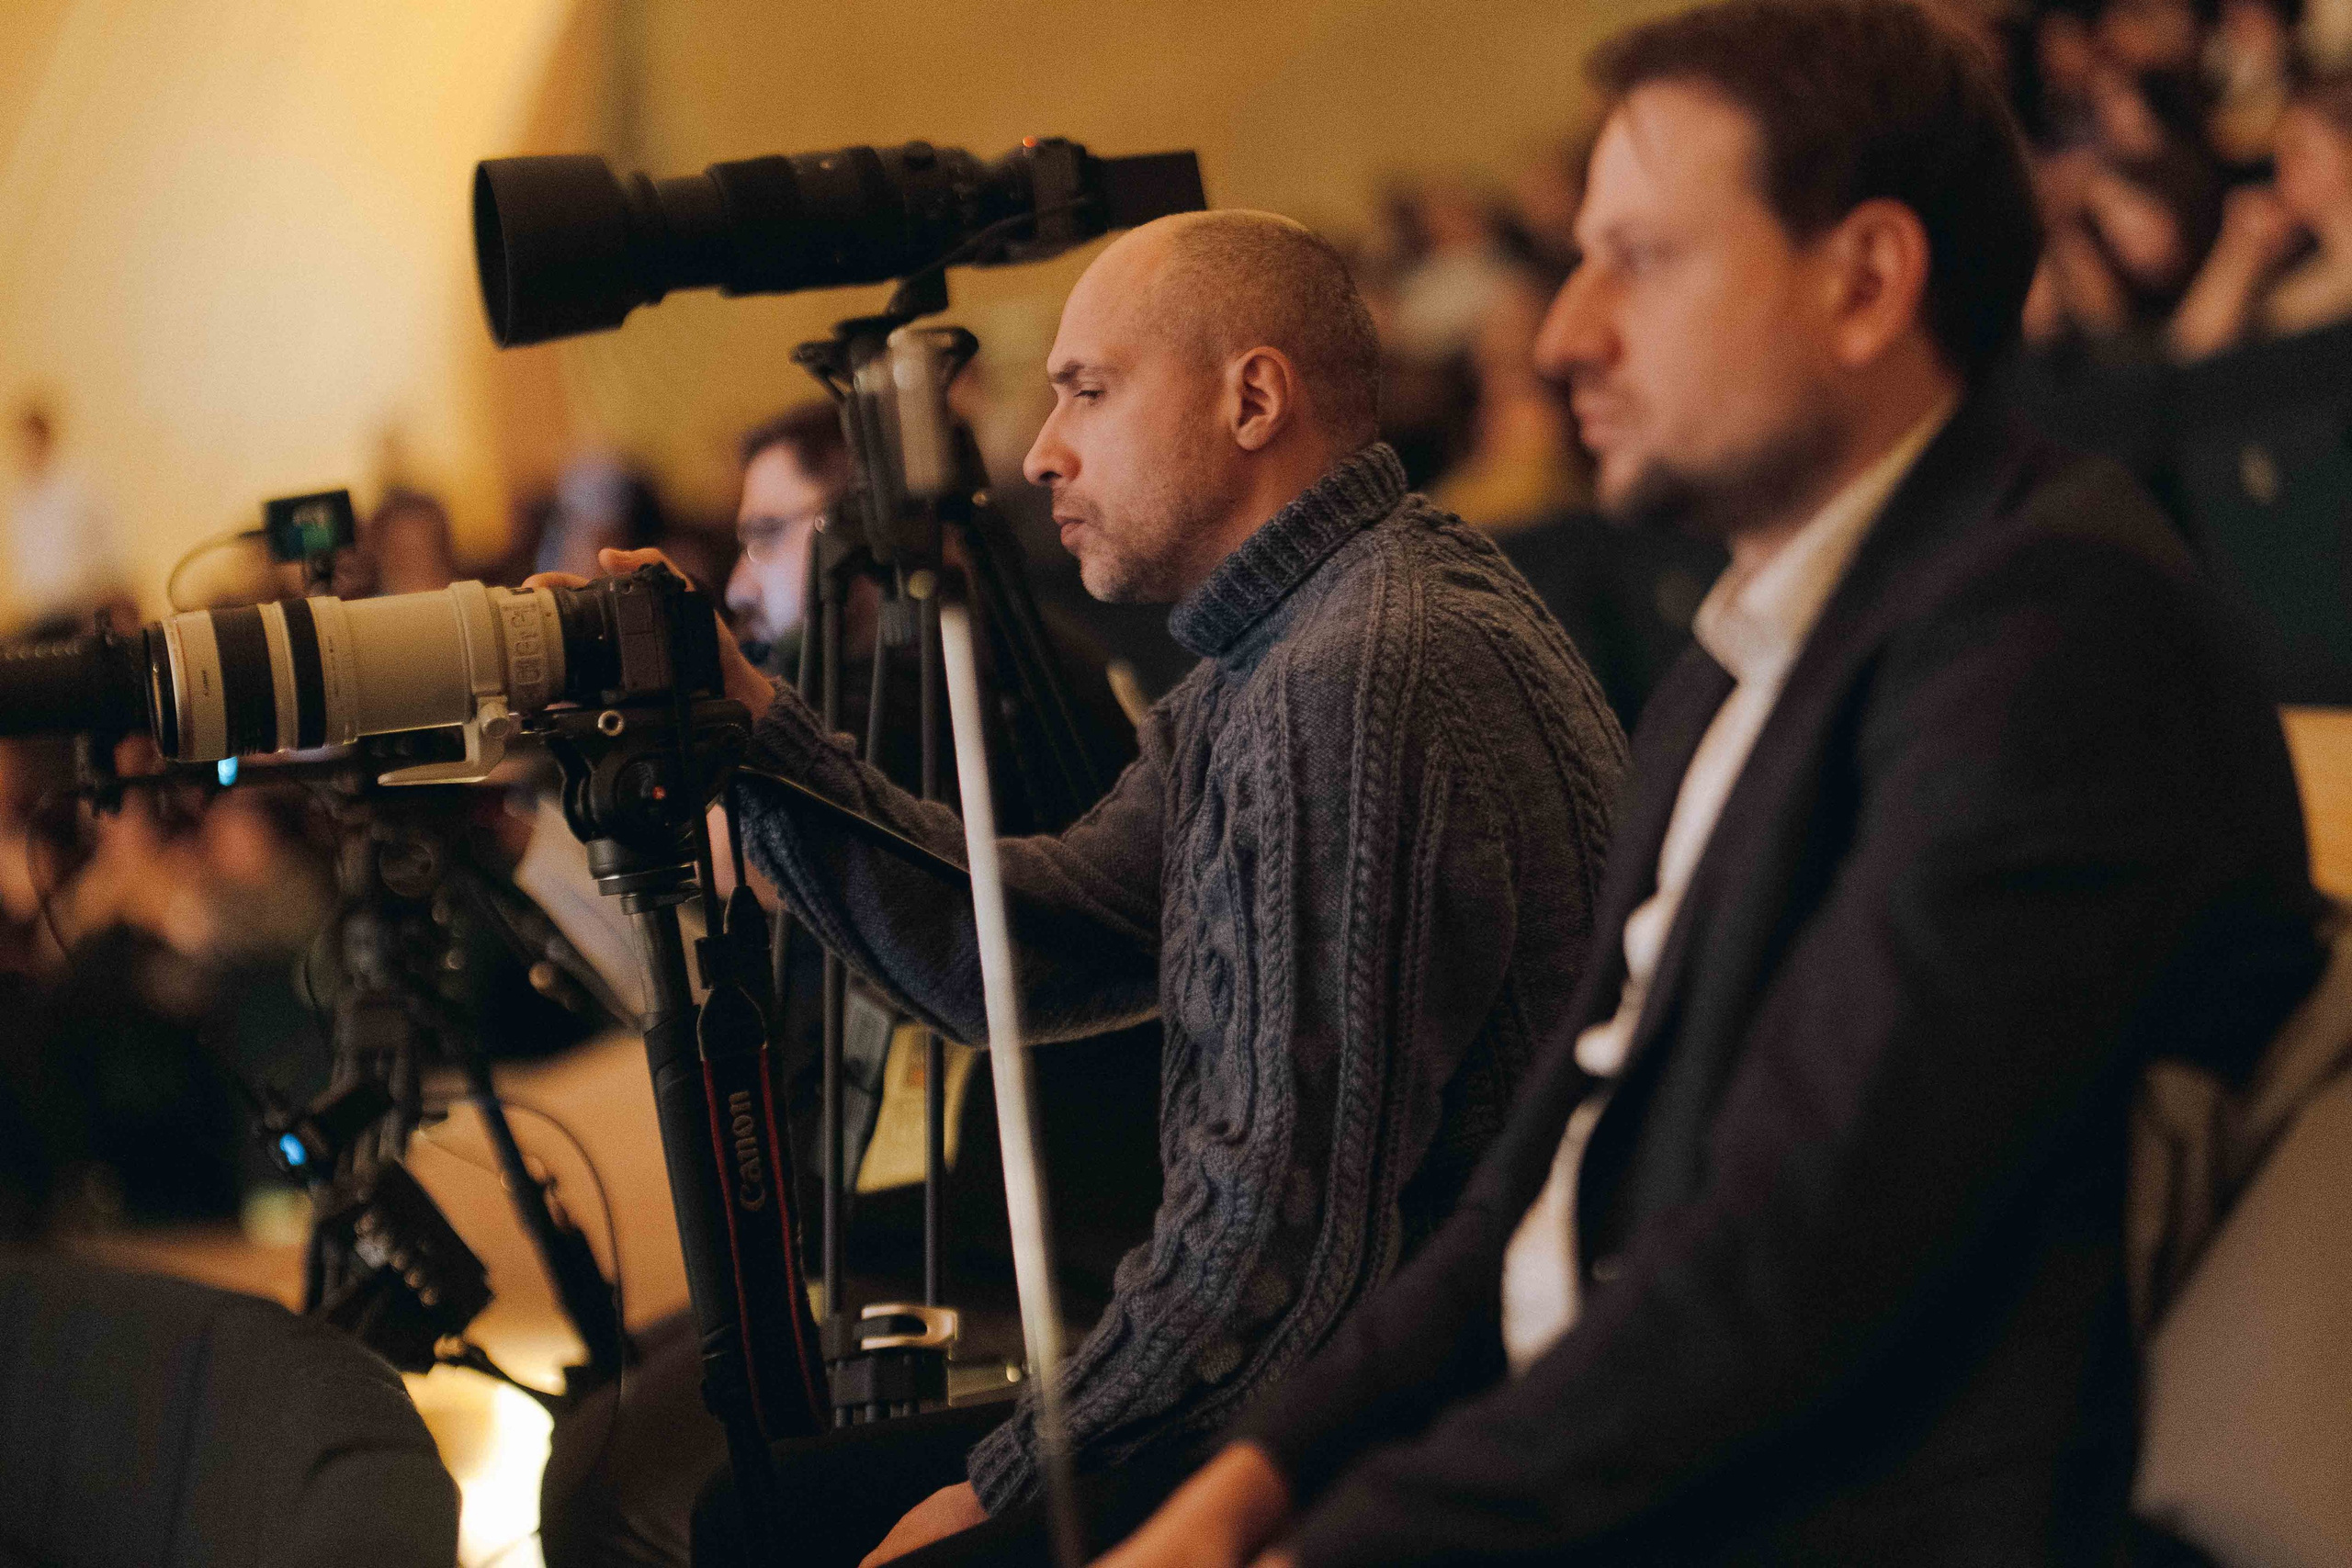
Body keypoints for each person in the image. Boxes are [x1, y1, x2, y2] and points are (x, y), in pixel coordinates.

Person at [1084, 3, 2324, 1564]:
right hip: (1604, 1460)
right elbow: (1536, 1190)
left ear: (1864, 281)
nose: (1564, 331)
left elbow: (1788, 1267)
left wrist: (1347, 1542)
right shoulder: (1734, 660)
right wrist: (1255, 1481)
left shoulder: (2055, 634)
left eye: (1644, 260)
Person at [557, 209, 1626, 1565]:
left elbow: (1274, 1247)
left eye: (1090, 393)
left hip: (1428, 1431)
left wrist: (1004, 1480)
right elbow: (1023, 939)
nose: (1037, 450)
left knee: (792, 1522)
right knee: (753, 1505)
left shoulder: (1358, 672)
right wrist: (753, 720)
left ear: (1252, 398)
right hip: (1359, 1376)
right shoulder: (1296, 643)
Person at [2170, 68, 2352, 357]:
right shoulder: (2303, 284)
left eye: (2299, 147)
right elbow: (2192, 352)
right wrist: (2241, 248)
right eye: (2279, 152)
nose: (2283, 166)